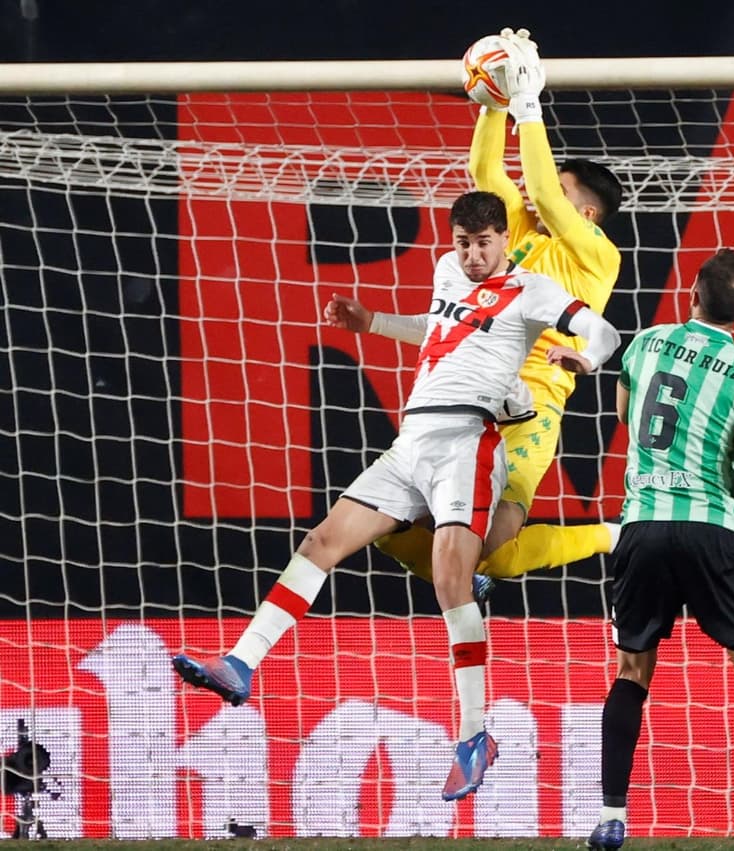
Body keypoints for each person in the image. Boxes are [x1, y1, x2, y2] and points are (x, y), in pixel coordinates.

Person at [171, 191, 620, 802]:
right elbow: (436, 326)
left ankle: (474, 734)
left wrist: (586, 357)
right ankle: (242, 663)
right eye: (463, 242)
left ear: (502, 240)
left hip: (469, 441)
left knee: (452, 585)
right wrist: (372, 322)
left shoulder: (533, 289)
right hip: (412, 440)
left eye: (483, 243)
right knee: (322, 541)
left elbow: (604, 329)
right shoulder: (445, 271)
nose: (472, 255)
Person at [371, 27, 627, 592]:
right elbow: (488, 175)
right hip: (468, 392)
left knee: (495, 552)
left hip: (531, 411)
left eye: (559, 192)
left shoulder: (595, 254)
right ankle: (466, 572)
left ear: (583, 211)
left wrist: (528, 104)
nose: (541, 197)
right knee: (386, 525)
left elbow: (536, 180)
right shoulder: (521, 230)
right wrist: (492, 106)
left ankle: (612, 534)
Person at [586, 249, 734, 851]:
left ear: (693, 294)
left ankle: (611, 821)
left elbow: (628, 418)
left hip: (644, 524)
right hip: (714, 530)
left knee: (631, 669)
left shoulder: (648, 343)